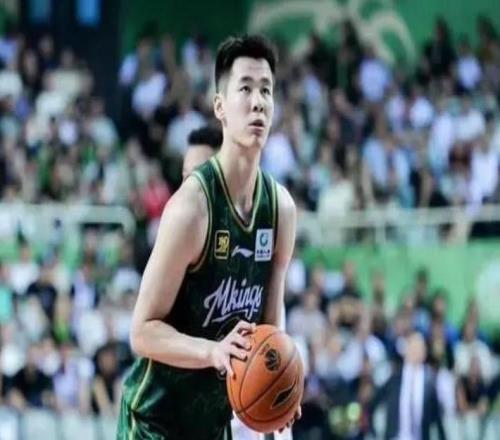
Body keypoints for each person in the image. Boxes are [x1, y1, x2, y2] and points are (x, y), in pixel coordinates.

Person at [117, 35, 300, 439]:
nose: (258, 102)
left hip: (214, 425)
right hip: (154, 423)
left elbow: (271, 323)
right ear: (220, 107)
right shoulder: (191, 208)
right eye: (245, 88)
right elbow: (142, 331)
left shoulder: (281, 210)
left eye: (266, 90)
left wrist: (280, 386)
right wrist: (212, 351)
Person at [370, 331, 446, 440]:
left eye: (419, 348)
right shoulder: (395, 377)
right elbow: (374, 402)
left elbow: (437, 416)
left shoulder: (429, 381)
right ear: (406, 350)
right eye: (412, 347)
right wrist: (374, 432)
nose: (415, 352)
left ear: (424, 352)